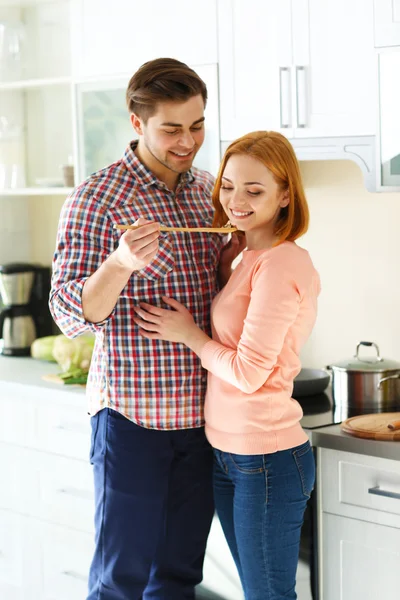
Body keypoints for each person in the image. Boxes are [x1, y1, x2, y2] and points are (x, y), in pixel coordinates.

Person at [49, 57, 243, 600]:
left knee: (179, 578)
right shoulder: (97, 198)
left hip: (202, 420)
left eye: (198, 125)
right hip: (131, 420)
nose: (189, 141)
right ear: (137, 124)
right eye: (172, 129)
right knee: (120, 582)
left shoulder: (210, 189)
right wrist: (118, 265)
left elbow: (218, 292)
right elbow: (67, 315)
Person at [134, 130, 321, 600]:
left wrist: (188, 335)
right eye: (229, 185)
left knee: (268, 596)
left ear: (284, 197)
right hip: (229, 454)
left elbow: (249, 372)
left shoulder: (282, 264)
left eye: (254, 191)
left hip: (266, 458)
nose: (236, 200)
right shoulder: (249, 258)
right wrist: (224, 271)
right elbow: (237, 325)